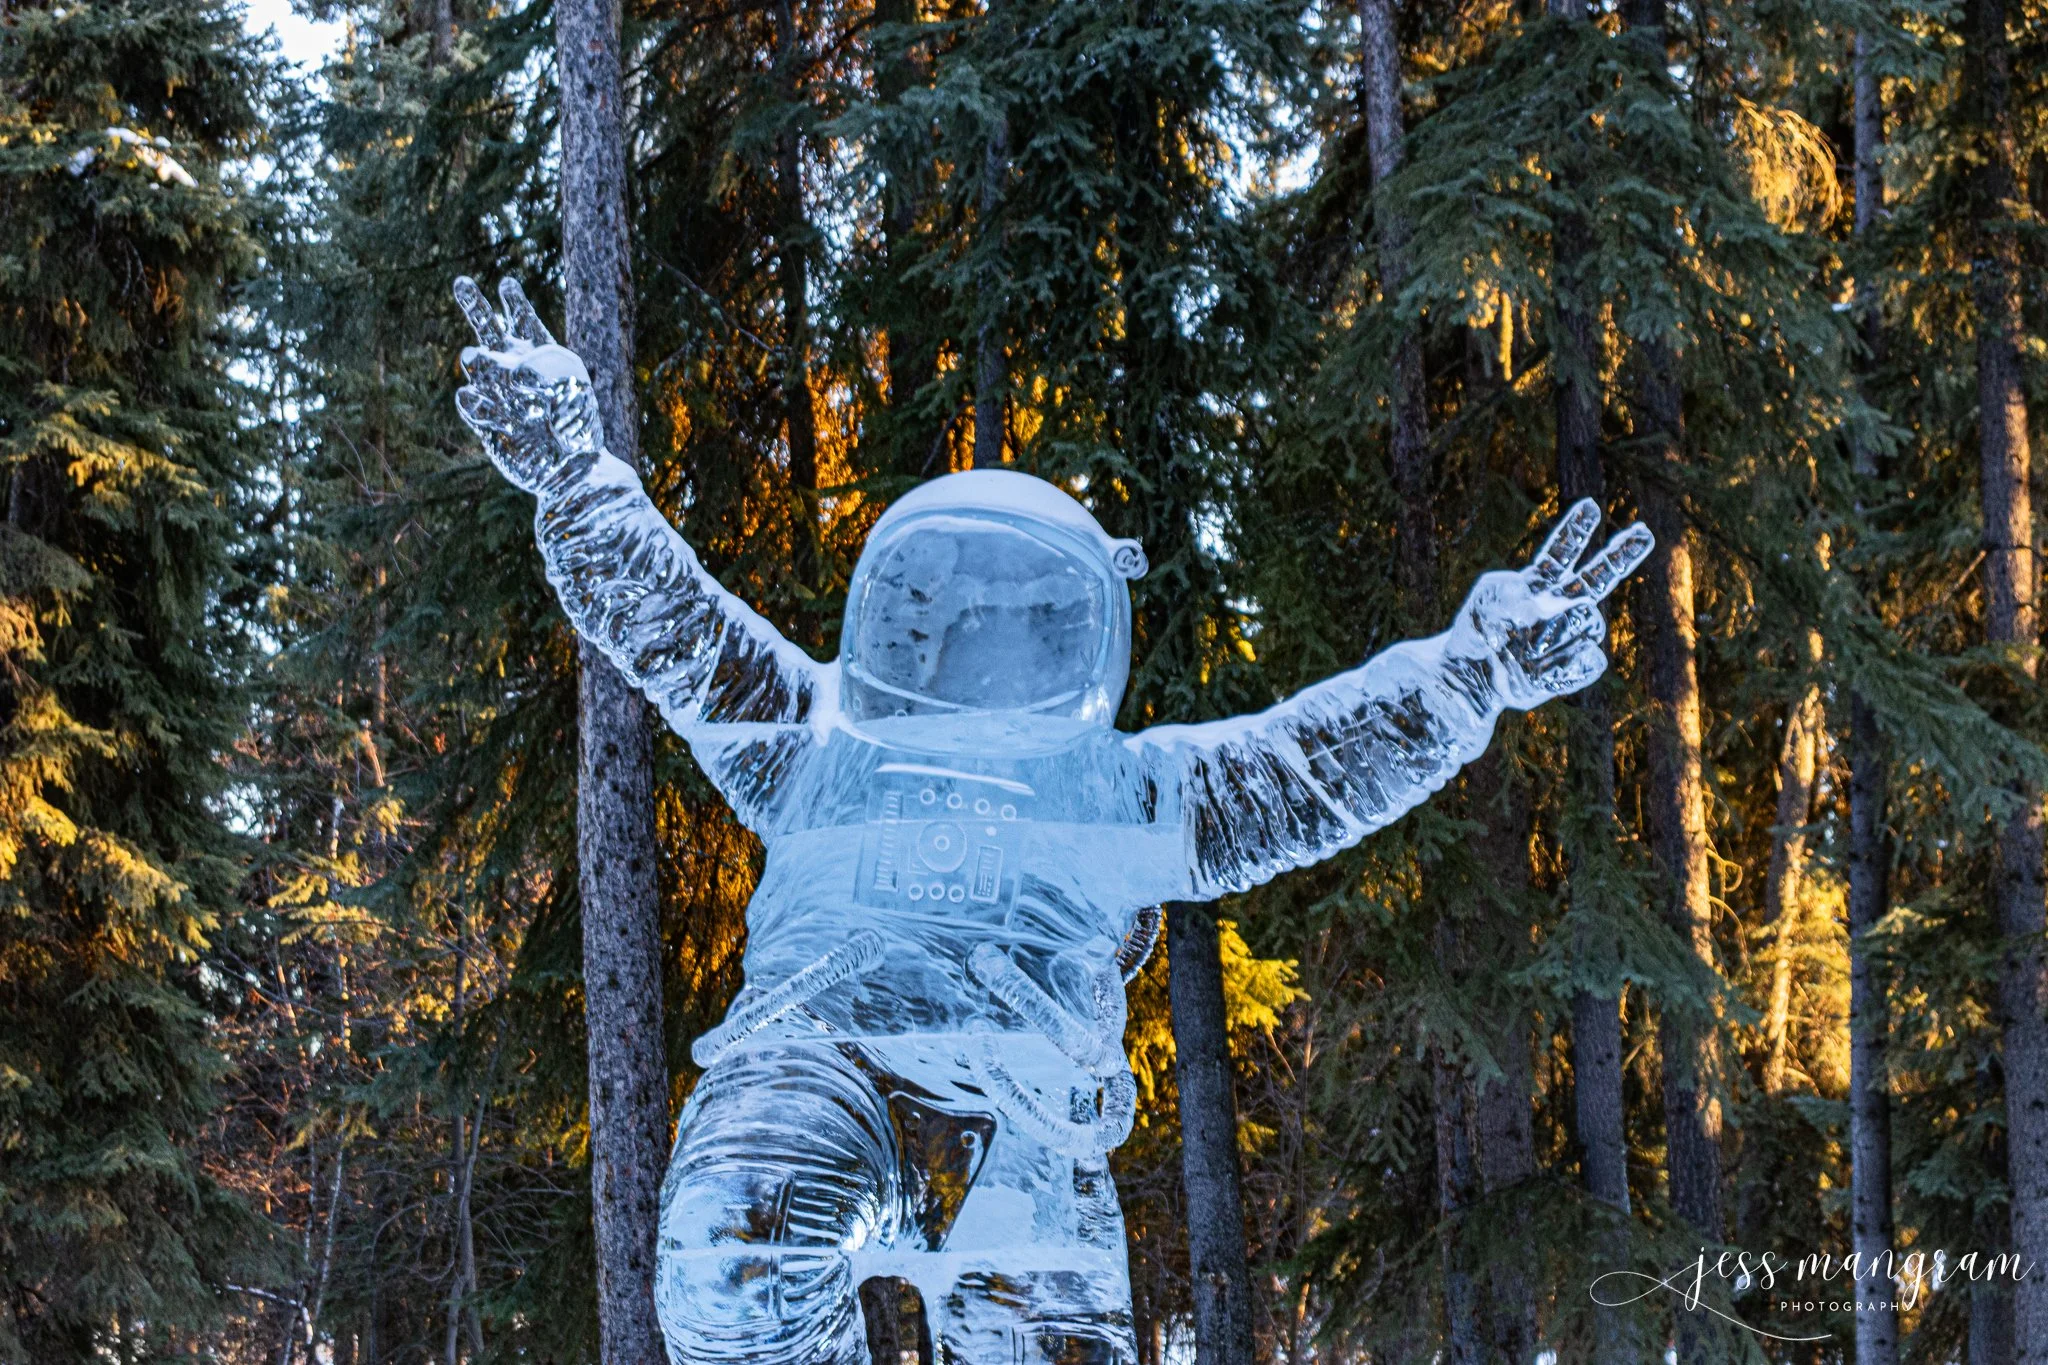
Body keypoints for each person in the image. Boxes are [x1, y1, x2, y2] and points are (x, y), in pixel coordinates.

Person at [453, 276, 1652, 1365]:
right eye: (957, 614)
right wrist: (570, 473)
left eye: (1017, 619)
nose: (980, 649)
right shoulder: (813, 741)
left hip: (1027, 1117)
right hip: (820, 1067)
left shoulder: (1116, 789)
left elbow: (1309, 767)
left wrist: (1469, 674)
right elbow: (675, 624)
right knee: (737, 1252)